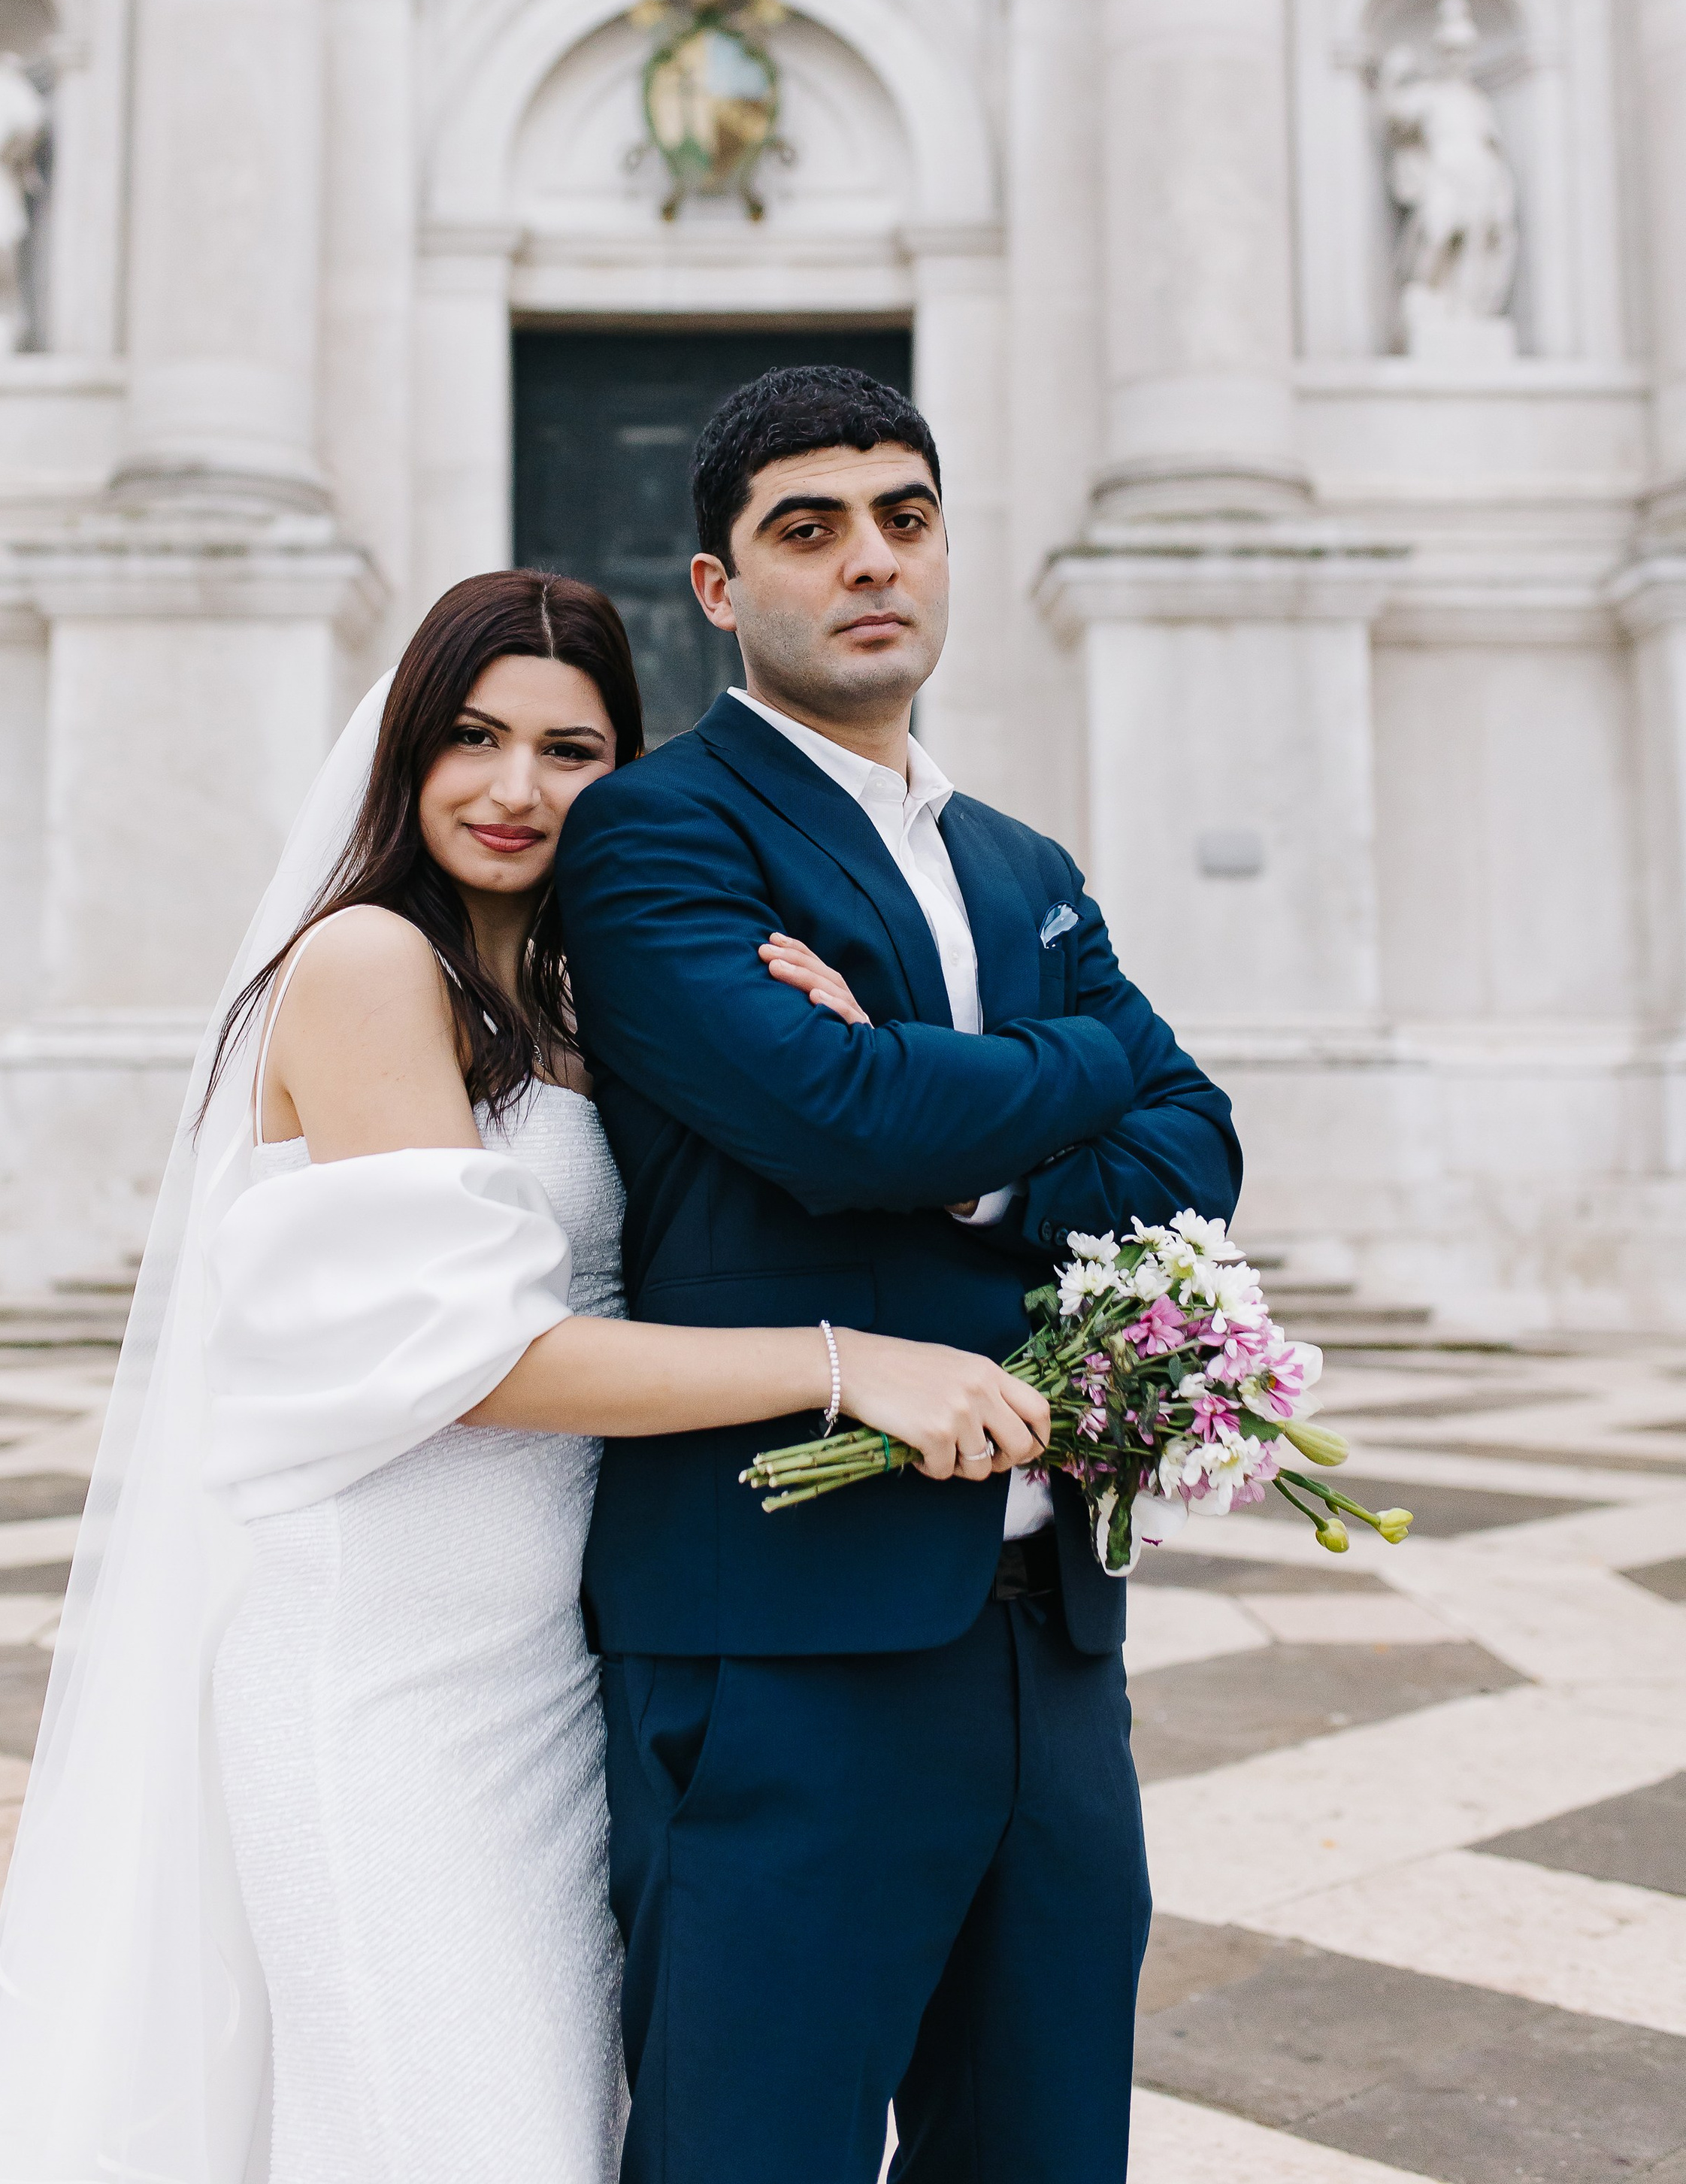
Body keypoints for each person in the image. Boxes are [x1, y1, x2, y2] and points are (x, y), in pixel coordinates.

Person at [0, 566, 1049, 2184]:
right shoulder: (373, 964)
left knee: (556, 2133)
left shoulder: (588, 998)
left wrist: (833, 1029)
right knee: (460, 2132)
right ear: (401, 753)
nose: (516, 790)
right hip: (385, 1679)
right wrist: (844, 1364)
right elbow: (475, 1363)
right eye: (470, 737)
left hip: (555, 1672)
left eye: (570, 750)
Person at [554, 365, 1243, 2184]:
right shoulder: (653, 832)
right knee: (750, 2153)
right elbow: (834, 1121)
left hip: (1050, 1643)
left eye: (903, 518)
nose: (869, 561)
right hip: (780, 1634)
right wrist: (1075, 1058)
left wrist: (954, 1145)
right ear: (714, 585)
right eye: (808, 528)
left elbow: (1199, 1146)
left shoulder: (1026, 862)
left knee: (1040, 2152)